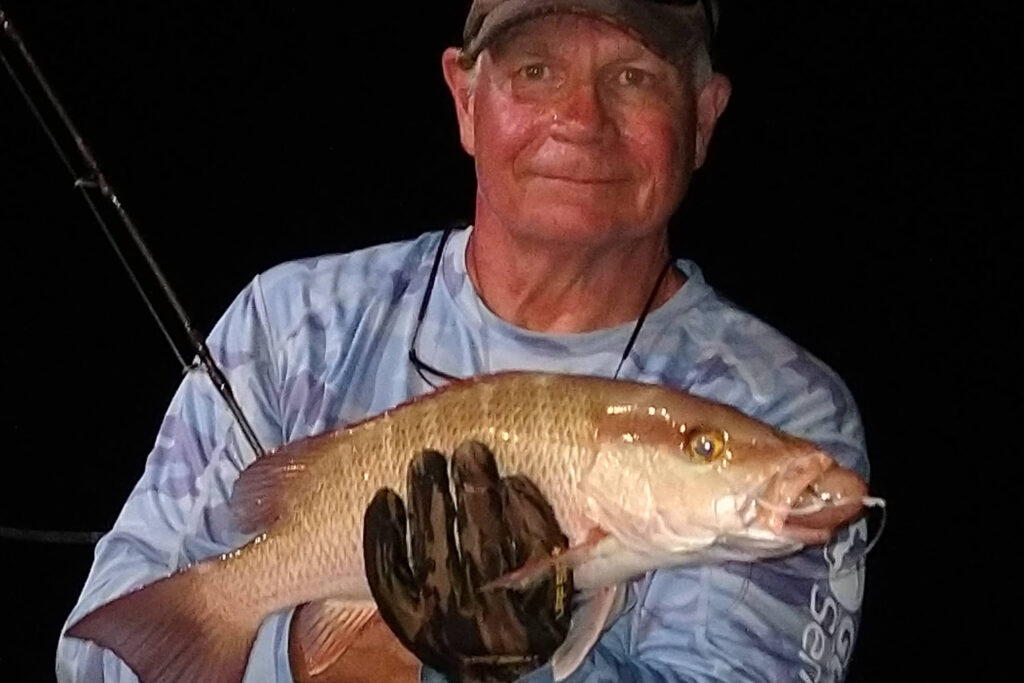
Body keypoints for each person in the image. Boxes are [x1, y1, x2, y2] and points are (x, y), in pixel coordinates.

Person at [56, 1, 872, 681]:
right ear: (464, 99)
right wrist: (309, 657)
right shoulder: (294, 323)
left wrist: (488, 670)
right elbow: (94, 655)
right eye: (535, 71)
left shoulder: (773, 404)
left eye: (634, 76)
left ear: (703, 115)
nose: (580, 118)